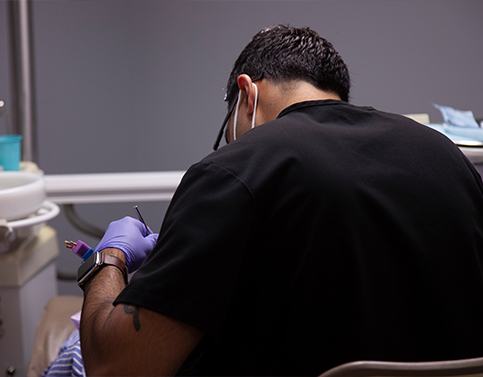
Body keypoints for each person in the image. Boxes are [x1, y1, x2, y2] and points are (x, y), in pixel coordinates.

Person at [79, 25, 483, 376]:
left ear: (246, 93)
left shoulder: (234, 169)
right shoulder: (446, 156)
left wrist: (108, 259)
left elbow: (117, 367)